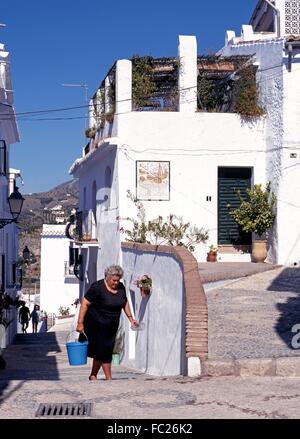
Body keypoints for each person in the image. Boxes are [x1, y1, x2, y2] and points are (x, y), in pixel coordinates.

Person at [76, 264, 138, 381]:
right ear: (106, 277)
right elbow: (84, 303)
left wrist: (131, 319)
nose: (116, 283)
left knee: (103, 349)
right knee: (104, 349)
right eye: (113, 280)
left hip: (112, 325)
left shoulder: (121, 287)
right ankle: (109, 377)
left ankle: (93, 375)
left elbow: (124, 302)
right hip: (95, 323)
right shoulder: (97, 287)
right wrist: (80, 323)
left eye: (117, 280)